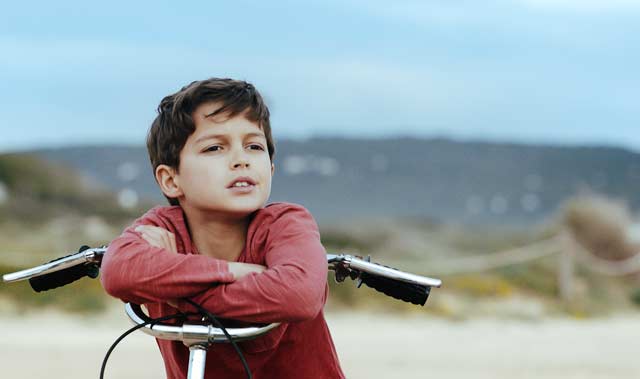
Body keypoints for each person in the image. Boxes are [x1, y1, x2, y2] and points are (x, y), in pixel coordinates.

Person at [100, 78, 345, 379]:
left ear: (270, 167)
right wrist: (237, 272)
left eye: (254, 146)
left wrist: (181, 295)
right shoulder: (161, 229)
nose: (241, 160)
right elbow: (118, 270)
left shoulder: (286, 224)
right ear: (171, 179)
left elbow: (299, 294)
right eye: (215, 147)